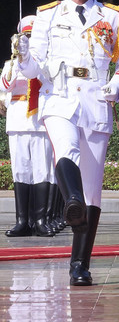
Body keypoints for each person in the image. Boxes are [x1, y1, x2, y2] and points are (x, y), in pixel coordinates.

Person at [17, 0, 119, 286]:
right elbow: (34, 69)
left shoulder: (111, 17)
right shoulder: (46, 15)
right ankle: (71, 200)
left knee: (93, 190)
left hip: (96, 102)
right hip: (60, 98)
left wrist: (118, 85)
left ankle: (80, 264)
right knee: (64, 150)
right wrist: (23, 55)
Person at [2, 16, 56, 237]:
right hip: (18, 120)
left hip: (41, 121)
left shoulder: (48, 62)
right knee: (21, 171)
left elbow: (49, 81)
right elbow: (5, 85)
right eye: (25, 37)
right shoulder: (10, 64)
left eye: (32, 37)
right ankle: (22, 221)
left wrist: (30, 61)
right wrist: (17, 61)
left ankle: (41, 220)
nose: (29, 41)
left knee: (42, 170)